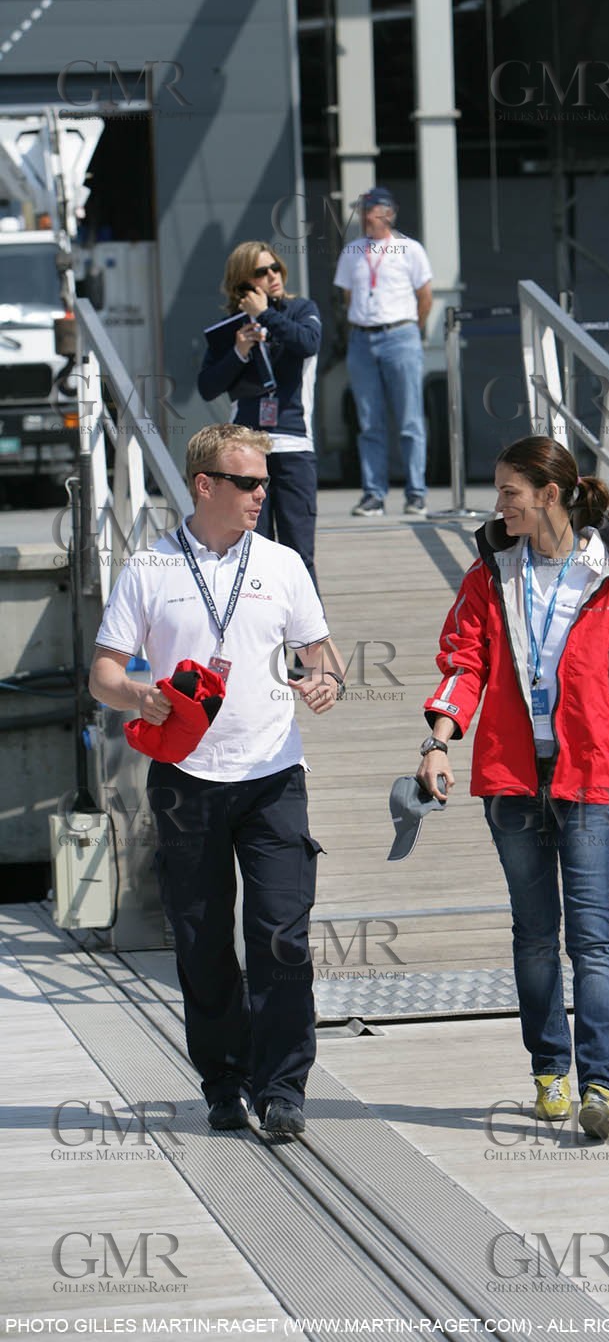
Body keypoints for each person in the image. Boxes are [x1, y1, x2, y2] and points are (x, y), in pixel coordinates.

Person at [88, 424, 346, 1138]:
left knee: (281, 936)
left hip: (273, 776)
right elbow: (103, 672)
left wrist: (324, 681)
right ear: (205, 485)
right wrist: (137, 694)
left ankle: (283, 1088)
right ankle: (225, 1083)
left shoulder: (283, 564)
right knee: (202, 940)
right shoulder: (150, 567)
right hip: (185, 781)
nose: (263, 494)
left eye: (266, 482)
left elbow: (322, 655)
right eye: (249, 483)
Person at [416, 435, 609, 1139]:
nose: (499, 505)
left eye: (510, 492)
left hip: (592, 778)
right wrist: (439, 741)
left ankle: (601, 1086)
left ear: (549, 495)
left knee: (592, 939)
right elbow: (463, 662)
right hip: (511, 780)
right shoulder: (490, 574)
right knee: (534, 937)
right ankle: (549, 1071)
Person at [198, 242, 323, 588]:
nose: (273, 276)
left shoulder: (301, 310)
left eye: (275, 268)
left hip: (293, 446)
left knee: (299, 553)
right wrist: (239, 351)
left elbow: (308, 343)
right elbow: (207, 387)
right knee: (251, 550)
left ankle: (309, 624)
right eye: (261, 272)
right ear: (243, 281)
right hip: (245, 453)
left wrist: (266, 314)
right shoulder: (231, 327)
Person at [332, 185, 433, 518]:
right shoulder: (352, 251)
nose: (365, 216)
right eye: (363, 210)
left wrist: (411, 331)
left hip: (400, 336)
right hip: (362, 339)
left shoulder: (410, 249)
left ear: (388, 213)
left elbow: (425, 297)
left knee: (410, 420)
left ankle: (416, 493)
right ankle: (374, 494)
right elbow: (347, 296)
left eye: (371, 210)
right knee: (368, 422)